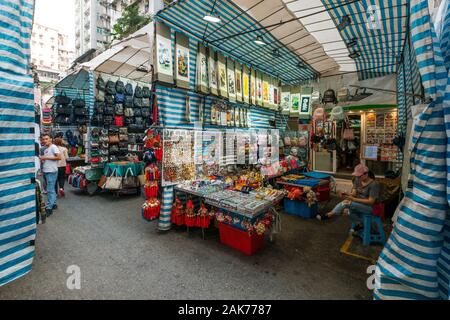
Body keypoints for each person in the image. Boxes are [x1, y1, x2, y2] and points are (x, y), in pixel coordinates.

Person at [316, 164, 380, 231]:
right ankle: (360, 223)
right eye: (356, 176)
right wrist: (346, 194)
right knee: (346, 211)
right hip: (357, 203)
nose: (357, 178)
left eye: (359, 176)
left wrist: (353, 199)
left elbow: (371, 202)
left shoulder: (374, 184)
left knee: (347, 203)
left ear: (366, 174)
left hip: (368, 207)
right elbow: (354, 193)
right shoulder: (357, 180)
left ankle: (329, 215)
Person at [39, 134, 61, 217]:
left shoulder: (53, 147)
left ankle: (49, 208)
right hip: (47, 171)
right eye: (43, 139)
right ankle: (54, 203)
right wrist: (43, 160)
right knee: (51, 189)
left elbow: (59, 157)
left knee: (49, 190)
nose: (45, 140)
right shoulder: (46, 149)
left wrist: (45, 158)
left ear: (51, 139)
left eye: (46, 139)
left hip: (51, 171)